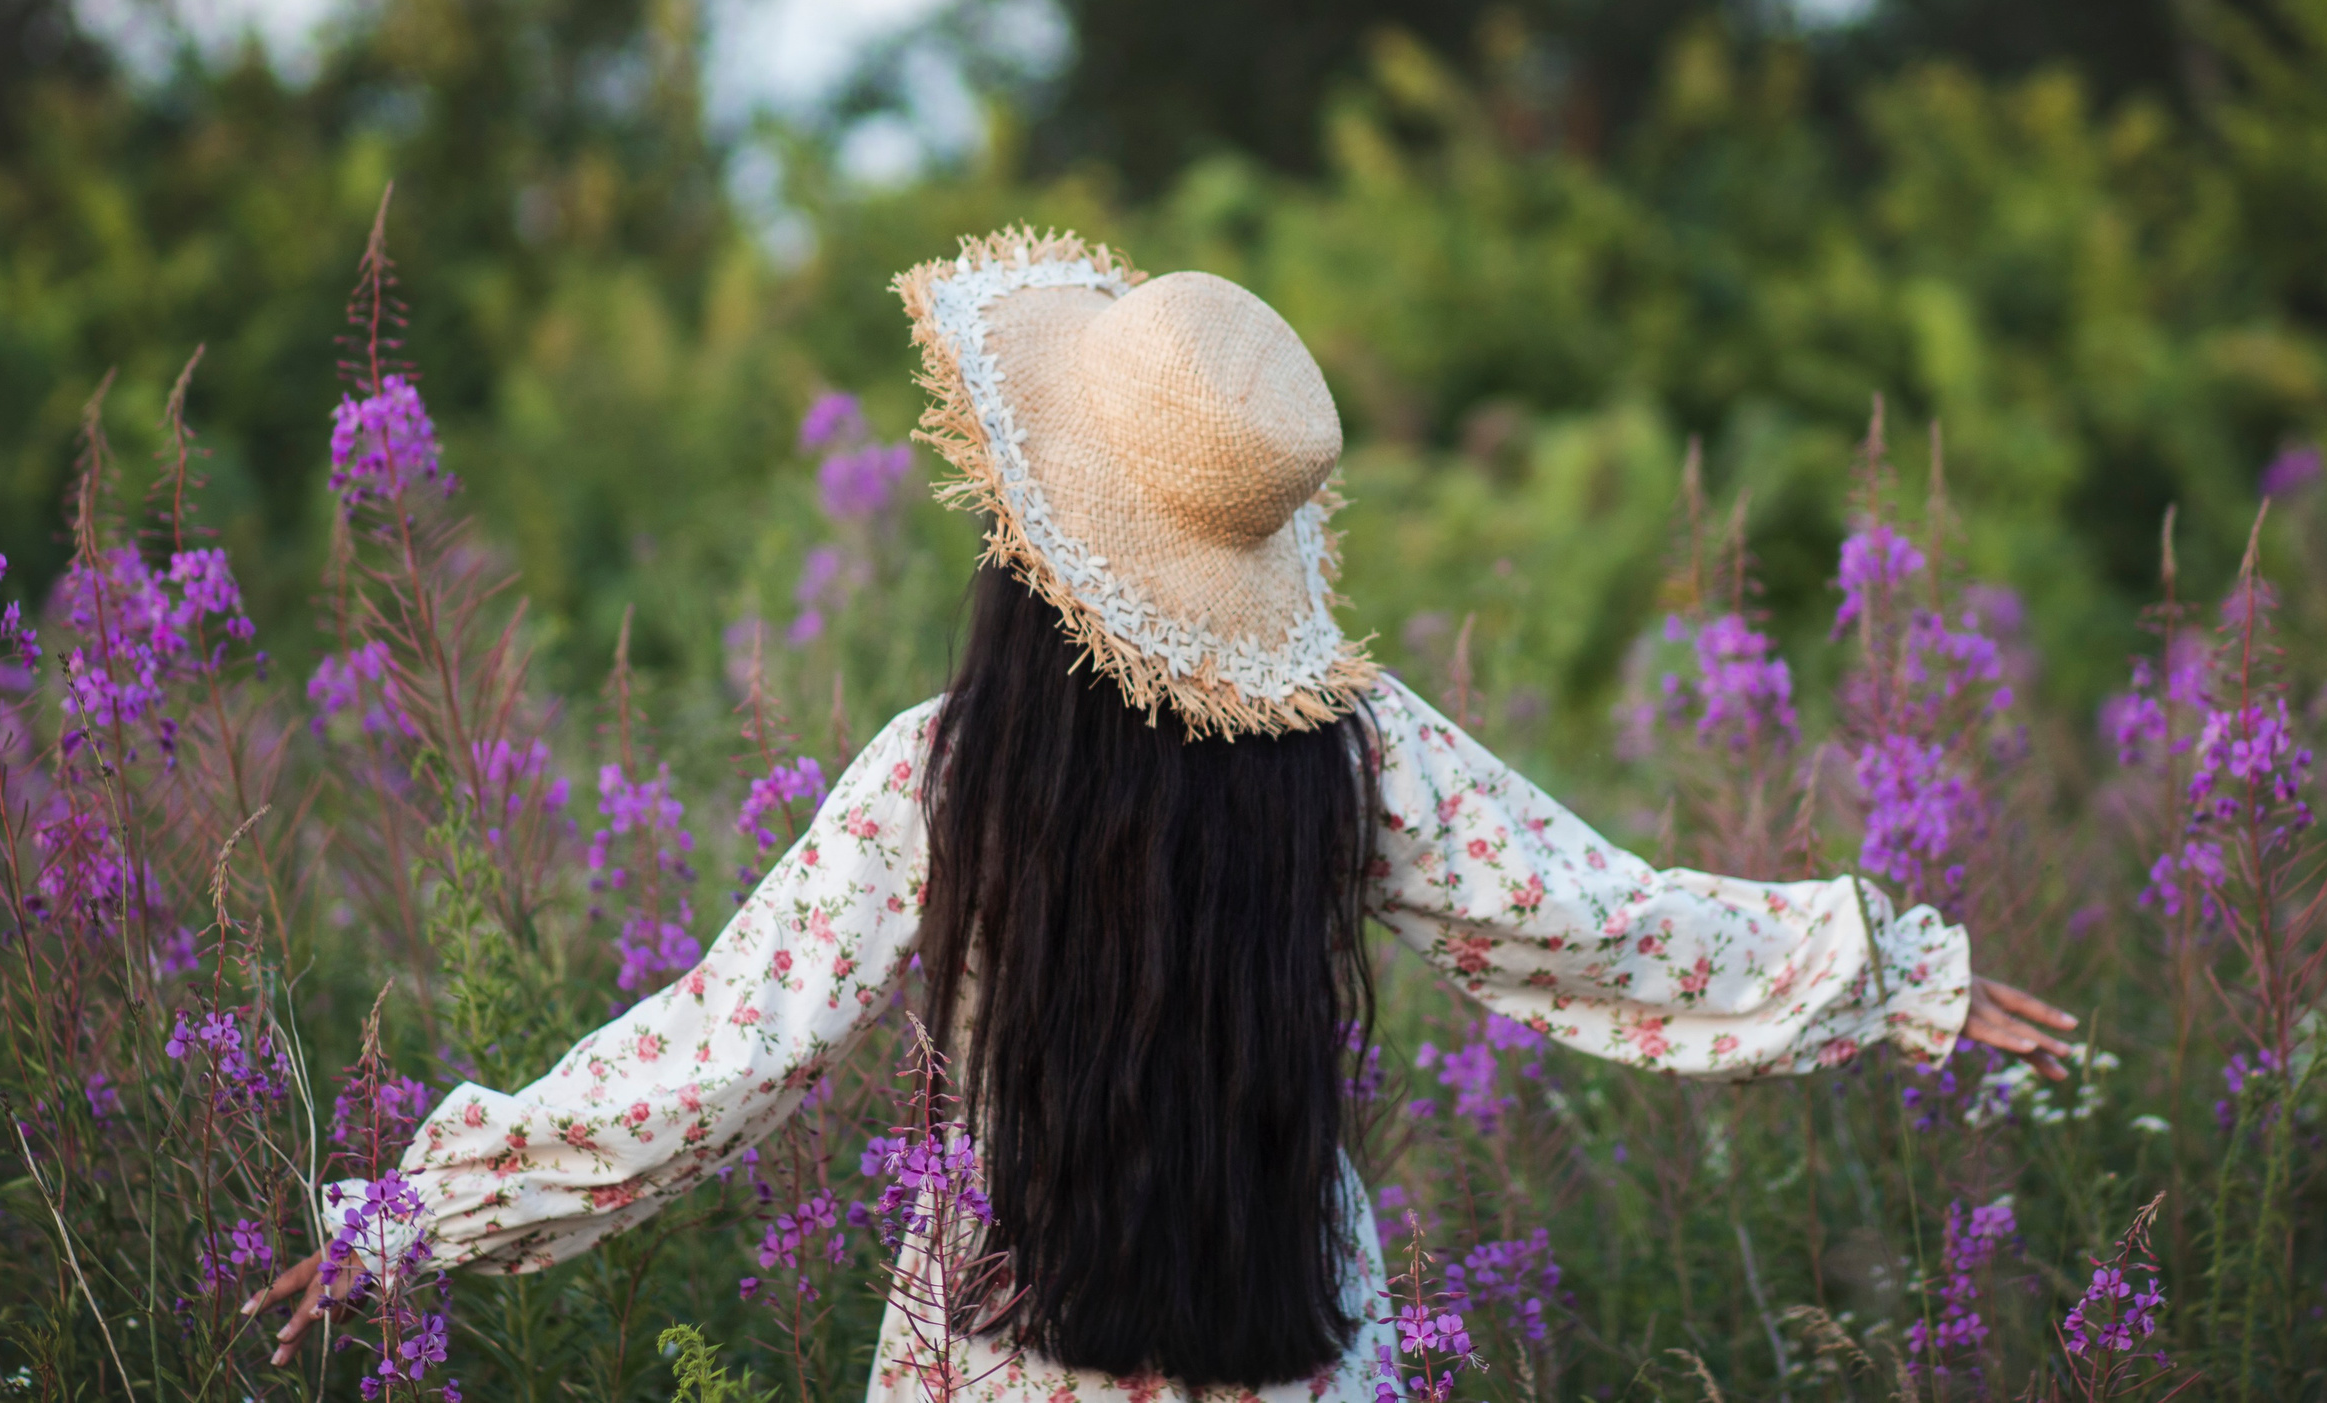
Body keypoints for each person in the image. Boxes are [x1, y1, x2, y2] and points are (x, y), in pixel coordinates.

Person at [253, 231, 2075, 1394]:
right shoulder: (1354, 754)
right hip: (1288, 1338)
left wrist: (418, 1213)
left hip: (1003, 1363)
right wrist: (1886, 970)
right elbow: (1596, 918)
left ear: (1031, 534)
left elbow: (713, 1056)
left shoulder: (944, 776)